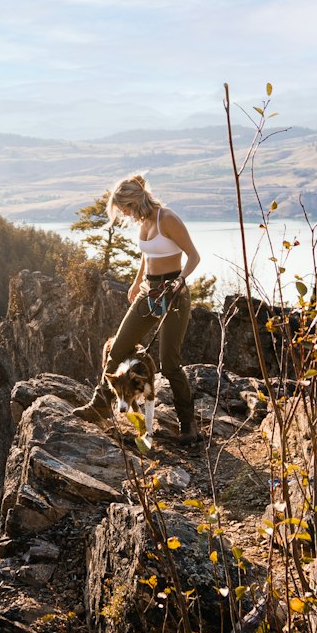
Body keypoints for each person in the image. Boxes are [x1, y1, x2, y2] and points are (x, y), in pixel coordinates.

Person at [75, 173, 201, 439]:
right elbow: (148, 255)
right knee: (118, 348)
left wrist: (180, 281)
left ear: (136, 201)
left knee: (170, 363)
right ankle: (100, 406)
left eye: (126, 209)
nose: (126, 215)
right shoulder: (144, 220)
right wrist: (135, 283)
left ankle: (188, 425)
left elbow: (194, 256)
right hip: (148, 291)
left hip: (174, 294)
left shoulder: (166, 218)